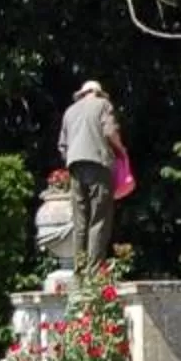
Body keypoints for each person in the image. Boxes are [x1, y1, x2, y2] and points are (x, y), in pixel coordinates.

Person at [57, 79, 124, 270]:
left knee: (80, 222)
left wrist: (72, 159)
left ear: (83, 93)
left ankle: (79, 272)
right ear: (98, 93)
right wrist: (121, 149)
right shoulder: (103, 104)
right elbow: (110, 131)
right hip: (98, 164)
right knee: (99, 219)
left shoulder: (69, 111)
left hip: (75, 168)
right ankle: (94, 274)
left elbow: (62, 146)